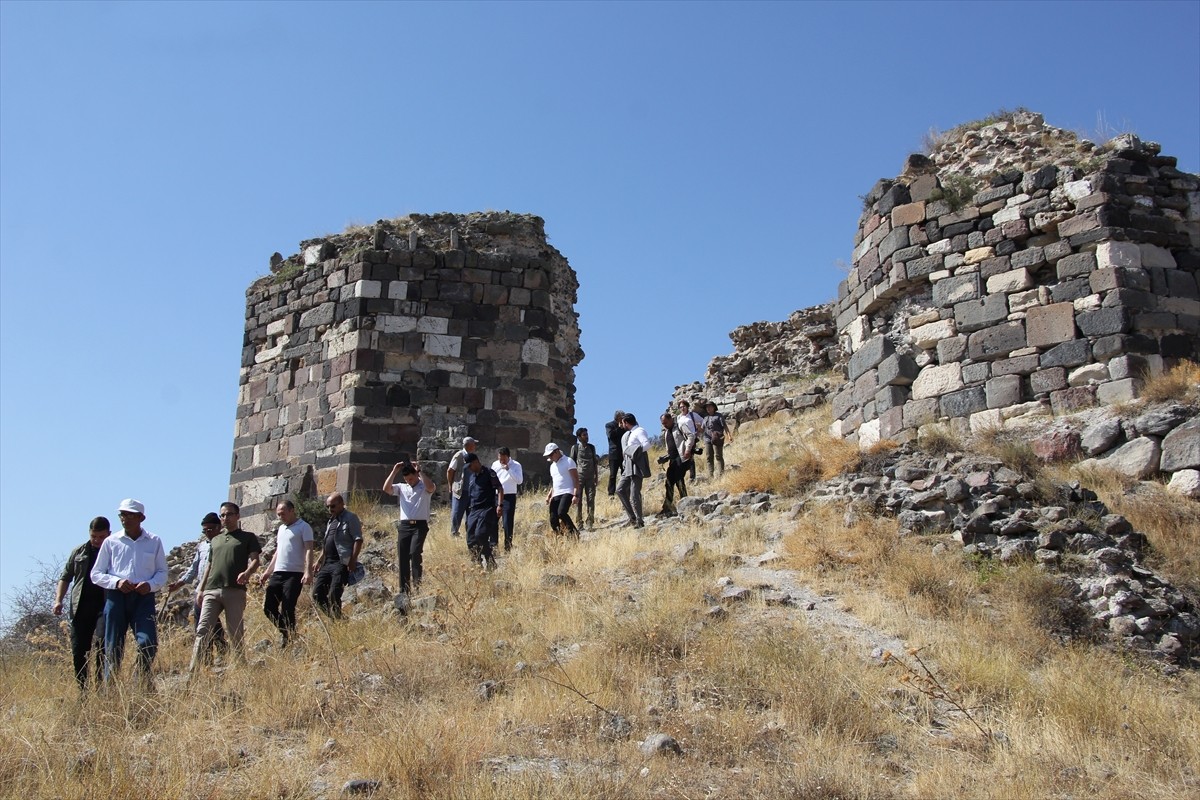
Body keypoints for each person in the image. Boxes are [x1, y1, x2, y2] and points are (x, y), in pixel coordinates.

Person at [90, 499, 168, 686]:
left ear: (141, 518)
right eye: (122, 514)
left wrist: (149, 585)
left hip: (143, 598)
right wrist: (117, 582)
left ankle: (140, 682)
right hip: (116, 598)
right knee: (113, 648)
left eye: (130, 515)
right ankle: (111, 691)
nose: (125, 518)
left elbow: (162, 572)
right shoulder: (111, 542)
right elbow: (96, 574)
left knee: (148, 643)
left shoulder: (154, 541)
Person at [189, 502, 261, 672]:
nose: (225, 518)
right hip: (211, 590)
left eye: (229, 514)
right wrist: (201, 589)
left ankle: (240, 669)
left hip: (234, 590)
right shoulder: (215, 540)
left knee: (235, 632)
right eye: (222, 515)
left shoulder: (248, 537)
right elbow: (209, 565)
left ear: (237, 516)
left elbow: (256, 560)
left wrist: (247, 573)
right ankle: (193, 672)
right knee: (202, 629)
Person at [53, 516, 110, 690]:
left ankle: (100, 687)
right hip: (80, 608)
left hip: (104, 606)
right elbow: (65, 577)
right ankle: (83, 691)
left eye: (101, 537)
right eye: (94, 536)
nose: (97, 540)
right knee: (79, 651)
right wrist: (58, 600)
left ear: (109, 534)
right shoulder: (79, 552)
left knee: (102, 645)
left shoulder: (115, 551)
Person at [257, 500, 313, 649]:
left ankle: (290, 640)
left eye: (283, 513)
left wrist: (308, 571)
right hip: (278, 573)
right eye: (278, 514)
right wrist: (267, 572)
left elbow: (309, 549)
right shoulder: (281, 529)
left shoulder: (304, 527)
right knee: (269, 608)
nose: (280, 517)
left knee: (288, 607)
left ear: (292, 510)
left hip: (294, 574)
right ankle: (288, 633)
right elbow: (278, 552)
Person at [168, 512, 226, 649]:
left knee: (209, 618)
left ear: (218, 527)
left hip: (218, 588)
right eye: (204, 530)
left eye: (210, 529)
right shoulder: (202, 546)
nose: (207, 533)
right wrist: (178, 584)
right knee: (200, 620)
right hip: (201, 589)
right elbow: (193, 569)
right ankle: (206, 653)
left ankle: (221, 646)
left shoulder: (225, 543)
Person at [384, 461, 435, 594]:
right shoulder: (402, 487)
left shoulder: (424, 487)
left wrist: (420, 471)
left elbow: (431, 487)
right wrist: (394, 471)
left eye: (411, 479)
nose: (409, 482)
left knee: (415, 552)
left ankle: (417, 586)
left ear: (416, 475)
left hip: (419, 526)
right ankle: (404, 590)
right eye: (406, 479)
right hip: (405, 526)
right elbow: (386, 489)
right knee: (403, 556)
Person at [312, 493, 363, 619]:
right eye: (328, 507)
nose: (330, 509)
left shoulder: (350, 518)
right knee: (317, 594)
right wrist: (319, 561)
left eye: (333, 506)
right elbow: (327, 544)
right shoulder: (331, 521)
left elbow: (358, 540)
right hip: (327, 563)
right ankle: (336, 619)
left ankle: (338, 620)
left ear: (341, 504)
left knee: (334, 593)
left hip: (341, 563)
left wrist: (352, 560)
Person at [461, 453, 503, 570]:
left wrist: (500, 505)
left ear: (475, 462)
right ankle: (477, 565)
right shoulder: (472, 477)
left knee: (481, 535)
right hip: (474, 510)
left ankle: (490, 561)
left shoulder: (489, 473)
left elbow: (499, 488)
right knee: (470, 539)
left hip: (487, 508)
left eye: (470, 466)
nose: (469, 469)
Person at [616, 414, 651, 528]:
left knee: (634, 494)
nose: (622, 425)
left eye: (623, 423)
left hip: (636, 464)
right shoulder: (630, 434)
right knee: (620, 489)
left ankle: (639, 521)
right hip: (628, 465)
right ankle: (632, 517)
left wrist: (634, 452)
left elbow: (647, 445)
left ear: (626, 422)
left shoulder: (639, 431)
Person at [658, 412, 695, 516]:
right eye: (663, 423)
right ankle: (668, 507)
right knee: (669, 482)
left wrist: (687, 449)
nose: (664, 425)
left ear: (671, 419)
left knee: (679, 480)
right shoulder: (666, 432)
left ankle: (685, 503)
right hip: (673, 460)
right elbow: (670, 448)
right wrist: (665, 458)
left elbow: (691, 436)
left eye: (666, 422)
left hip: (682, 458)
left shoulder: (680, 426)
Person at [490, 447, 523, 552]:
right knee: (493, 520)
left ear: (508, 457)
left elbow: (519, 481)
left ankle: (508, 546)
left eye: (503, 459)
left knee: (507, 522)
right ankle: (493, 545)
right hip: (496, 495)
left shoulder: (516, 465)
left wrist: (509, 469)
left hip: (509, 496)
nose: (501, 461)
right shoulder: (495, 465)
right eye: (499, 458)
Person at [544, 444, 580, 536]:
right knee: (553, 518)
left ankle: (574, 534)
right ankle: (559, 537)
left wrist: (576, 495)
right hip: (556, 494)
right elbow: (555, 482)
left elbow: (575, 479)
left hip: (568, 491)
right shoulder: (552, 466)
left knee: (562, 513)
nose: (549, 457)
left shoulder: (569, 461)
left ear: (556, 451)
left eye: (551, 455)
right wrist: (549, 495)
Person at [446, 436, 478, 538]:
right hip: (460, 490)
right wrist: (451, 485)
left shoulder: (473, 456)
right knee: (457, 512)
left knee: (471, 514)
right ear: (469, 445)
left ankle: (470, 534)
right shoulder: (459, 455)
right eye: (474, 444)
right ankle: (454, 533)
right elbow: (450, 471)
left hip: (471, 491)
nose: (475, 446)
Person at [569, 429, 598, 530]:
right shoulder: (575, 448)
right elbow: (571, 463)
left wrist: (596, 476)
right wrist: (572, 479)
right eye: (584, 435)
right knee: (578, 500)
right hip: (579, 478)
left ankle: (590, 522)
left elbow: (595, 462)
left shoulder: (591, 447)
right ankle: (579, 522)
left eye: (587, 434)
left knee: (591, 499)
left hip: (590, 478)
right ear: (579, 437)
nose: (586, 436)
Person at [677, 400, 705, 482]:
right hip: (682, 440)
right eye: (680, 407)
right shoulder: (678, 417)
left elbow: (702, 421)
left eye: (684, 406)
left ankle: (692, 477)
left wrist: (699, 429)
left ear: (687, 406)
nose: (682, 408)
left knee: (690, 456)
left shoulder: (693, 415)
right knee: (683, 457)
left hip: (692, 438)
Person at [703, 400, 731, 477]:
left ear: (714, 407)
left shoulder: (719, 416)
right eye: (707, 407)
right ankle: (710, 475)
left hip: (717, 438)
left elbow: (725, 426)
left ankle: (721, 474)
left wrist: (729, 436)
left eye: (709, 406)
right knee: (709, 457)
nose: (708, 408)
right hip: (707, 439)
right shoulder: (705, 418)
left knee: (718, 456)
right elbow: (702, 429)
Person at [605, 410, 625, 497]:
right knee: (613, 474)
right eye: (622, 416)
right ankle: (611, 493)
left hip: (624, 453)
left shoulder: (625, 425)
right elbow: (610, 435)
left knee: (625, 472)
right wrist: (619, 428)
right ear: (618, 417)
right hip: (614, 453)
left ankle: (624, 490)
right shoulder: (609, 425)